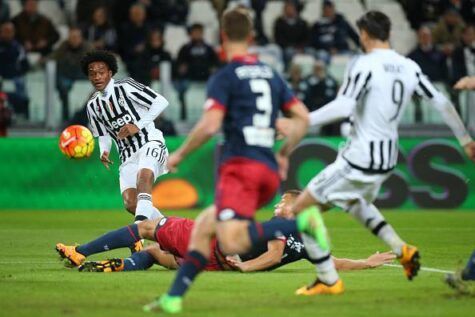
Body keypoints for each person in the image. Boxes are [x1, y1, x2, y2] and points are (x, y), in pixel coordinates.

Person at [284, 10, 475, 296]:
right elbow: (442, 102)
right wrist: (465, 140)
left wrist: (302, 121)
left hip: (360, 157)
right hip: (387, 158)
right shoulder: (408, 65)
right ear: (388, 33)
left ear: (363, 34)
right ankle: (403, 249)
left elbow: (344, 106)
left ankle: (328, 279)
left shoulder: (364, 64)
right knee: (354, 202)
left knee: (301, 209)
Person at [149, 8, 322, 314]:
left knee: (232, 237)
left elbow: (210, 125)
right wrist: (283, 154)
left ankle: (302, 221)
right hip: (267, 170)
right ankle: (173, 298)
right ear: (252, 37)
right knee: (204, 226)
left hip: (241, 170)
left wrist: (179, 154)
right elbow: (303, 118)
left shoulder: (225, 76)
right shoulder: (271, 74)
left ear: (223, 37)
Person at [68, 191, 394, 273]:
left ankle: (81, 250)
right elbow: (333, 262)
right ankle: (122, 266)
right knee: (153, 254)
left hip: (212, 244)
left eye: (285, 202)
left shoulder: (283, 228)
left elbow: (275, 252)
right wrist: (368, 262)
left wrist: (246, 267)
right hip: (214, 264)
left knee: (147, 227)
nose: (279, 205)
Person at [62, 50, 170, 251]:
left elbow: (161, 101)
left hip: (150, 142)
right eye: (92, 73)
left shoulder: (127, 86)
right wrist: (104, 150)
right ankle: (171, 231)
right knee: (130, 203)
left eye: (101, 72)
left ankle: (136, 233)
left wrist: (137, 125)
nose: (97, 76)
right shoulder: (93, 105)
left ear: (110, 73)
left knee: (144, 178)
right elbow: (102, 132)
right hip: (127, 155)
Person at [174, 23, 219, 120]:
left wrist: (213, 69)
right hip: (189, 79)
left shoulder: (209, 48)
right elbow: (179, 65)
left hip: (207, 79)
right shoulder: (185, 48)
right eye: (195, 32)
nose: (198, 34)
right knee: (181, 87)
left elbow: (216, 64)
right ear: (191, 34)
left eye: (200, 32)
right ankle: (184, 116)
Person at [50, 27, 94, 121]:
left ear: (81, 38)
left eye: (76, 37)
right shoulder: (64, 46)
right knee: (63, 88)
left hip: (83, 76)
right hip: (67, 75)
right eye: (72, 37)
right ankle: (65, 116)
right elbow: (53, 57)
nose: (74, 40)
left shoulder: (88, 47)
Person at [0, 21, 29, 119]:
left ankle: (22, 115)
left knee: (20, 87)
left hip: (14, 77)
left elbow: (25, 65)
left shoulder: (18, 47)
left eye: (10, 31)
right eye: (5, 31)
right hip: (1, 77)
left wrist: (17, 73)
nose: (8, 33)